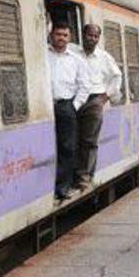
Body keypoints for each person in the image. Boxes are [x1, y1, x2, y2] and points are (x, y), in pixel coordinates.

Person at [74, 24, 123, 191]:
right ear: (83, 35)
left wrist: (106, 96)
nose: (93, 39)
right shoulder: (73, 53)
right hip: (75, 99)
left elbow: (117, 76)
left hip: (95, 100)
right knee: (73, 138)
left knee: (89, 140)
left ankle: (85, 176)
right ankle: (73, 174)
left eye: (96, 36)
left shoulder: (104, 57)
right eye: (90, 35)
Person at [47, 22, 91, 202]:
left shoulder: (75, 59)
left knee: (67, 147)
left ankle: (62, 187)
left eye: (65, 35)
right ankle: (46, 188)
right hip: (45, 106)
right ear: (52, 34)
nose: (61, 38)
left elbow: (84, 85)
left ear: (69, 38)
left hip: (66, 106)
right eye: (58, 34)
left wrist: (74, 106)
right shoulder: (42, 54)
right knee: (48, 146)